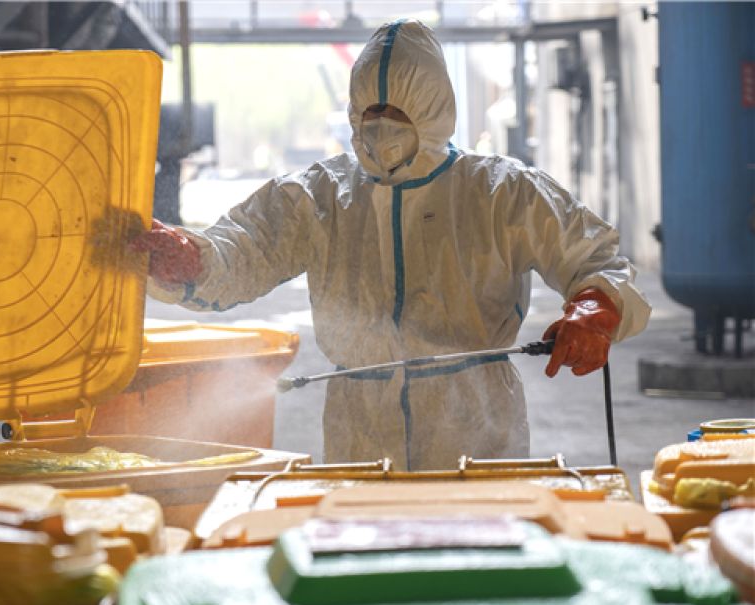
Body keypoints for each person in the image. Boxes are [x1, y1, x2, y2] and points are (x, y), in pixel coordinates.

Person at [132, 19, 650, 470]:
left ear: (431, 110)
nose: (380, 124)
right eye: (371, 110)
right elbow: (245, 247)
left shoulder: (500, 191)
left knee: (477, 546)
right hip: (359, 430)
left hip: (474, 428)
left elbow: (595, 257)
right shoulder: (319, 195)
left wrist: (594, 307)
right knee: (367, 543)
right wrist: (194, 260)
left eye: (397, 111)